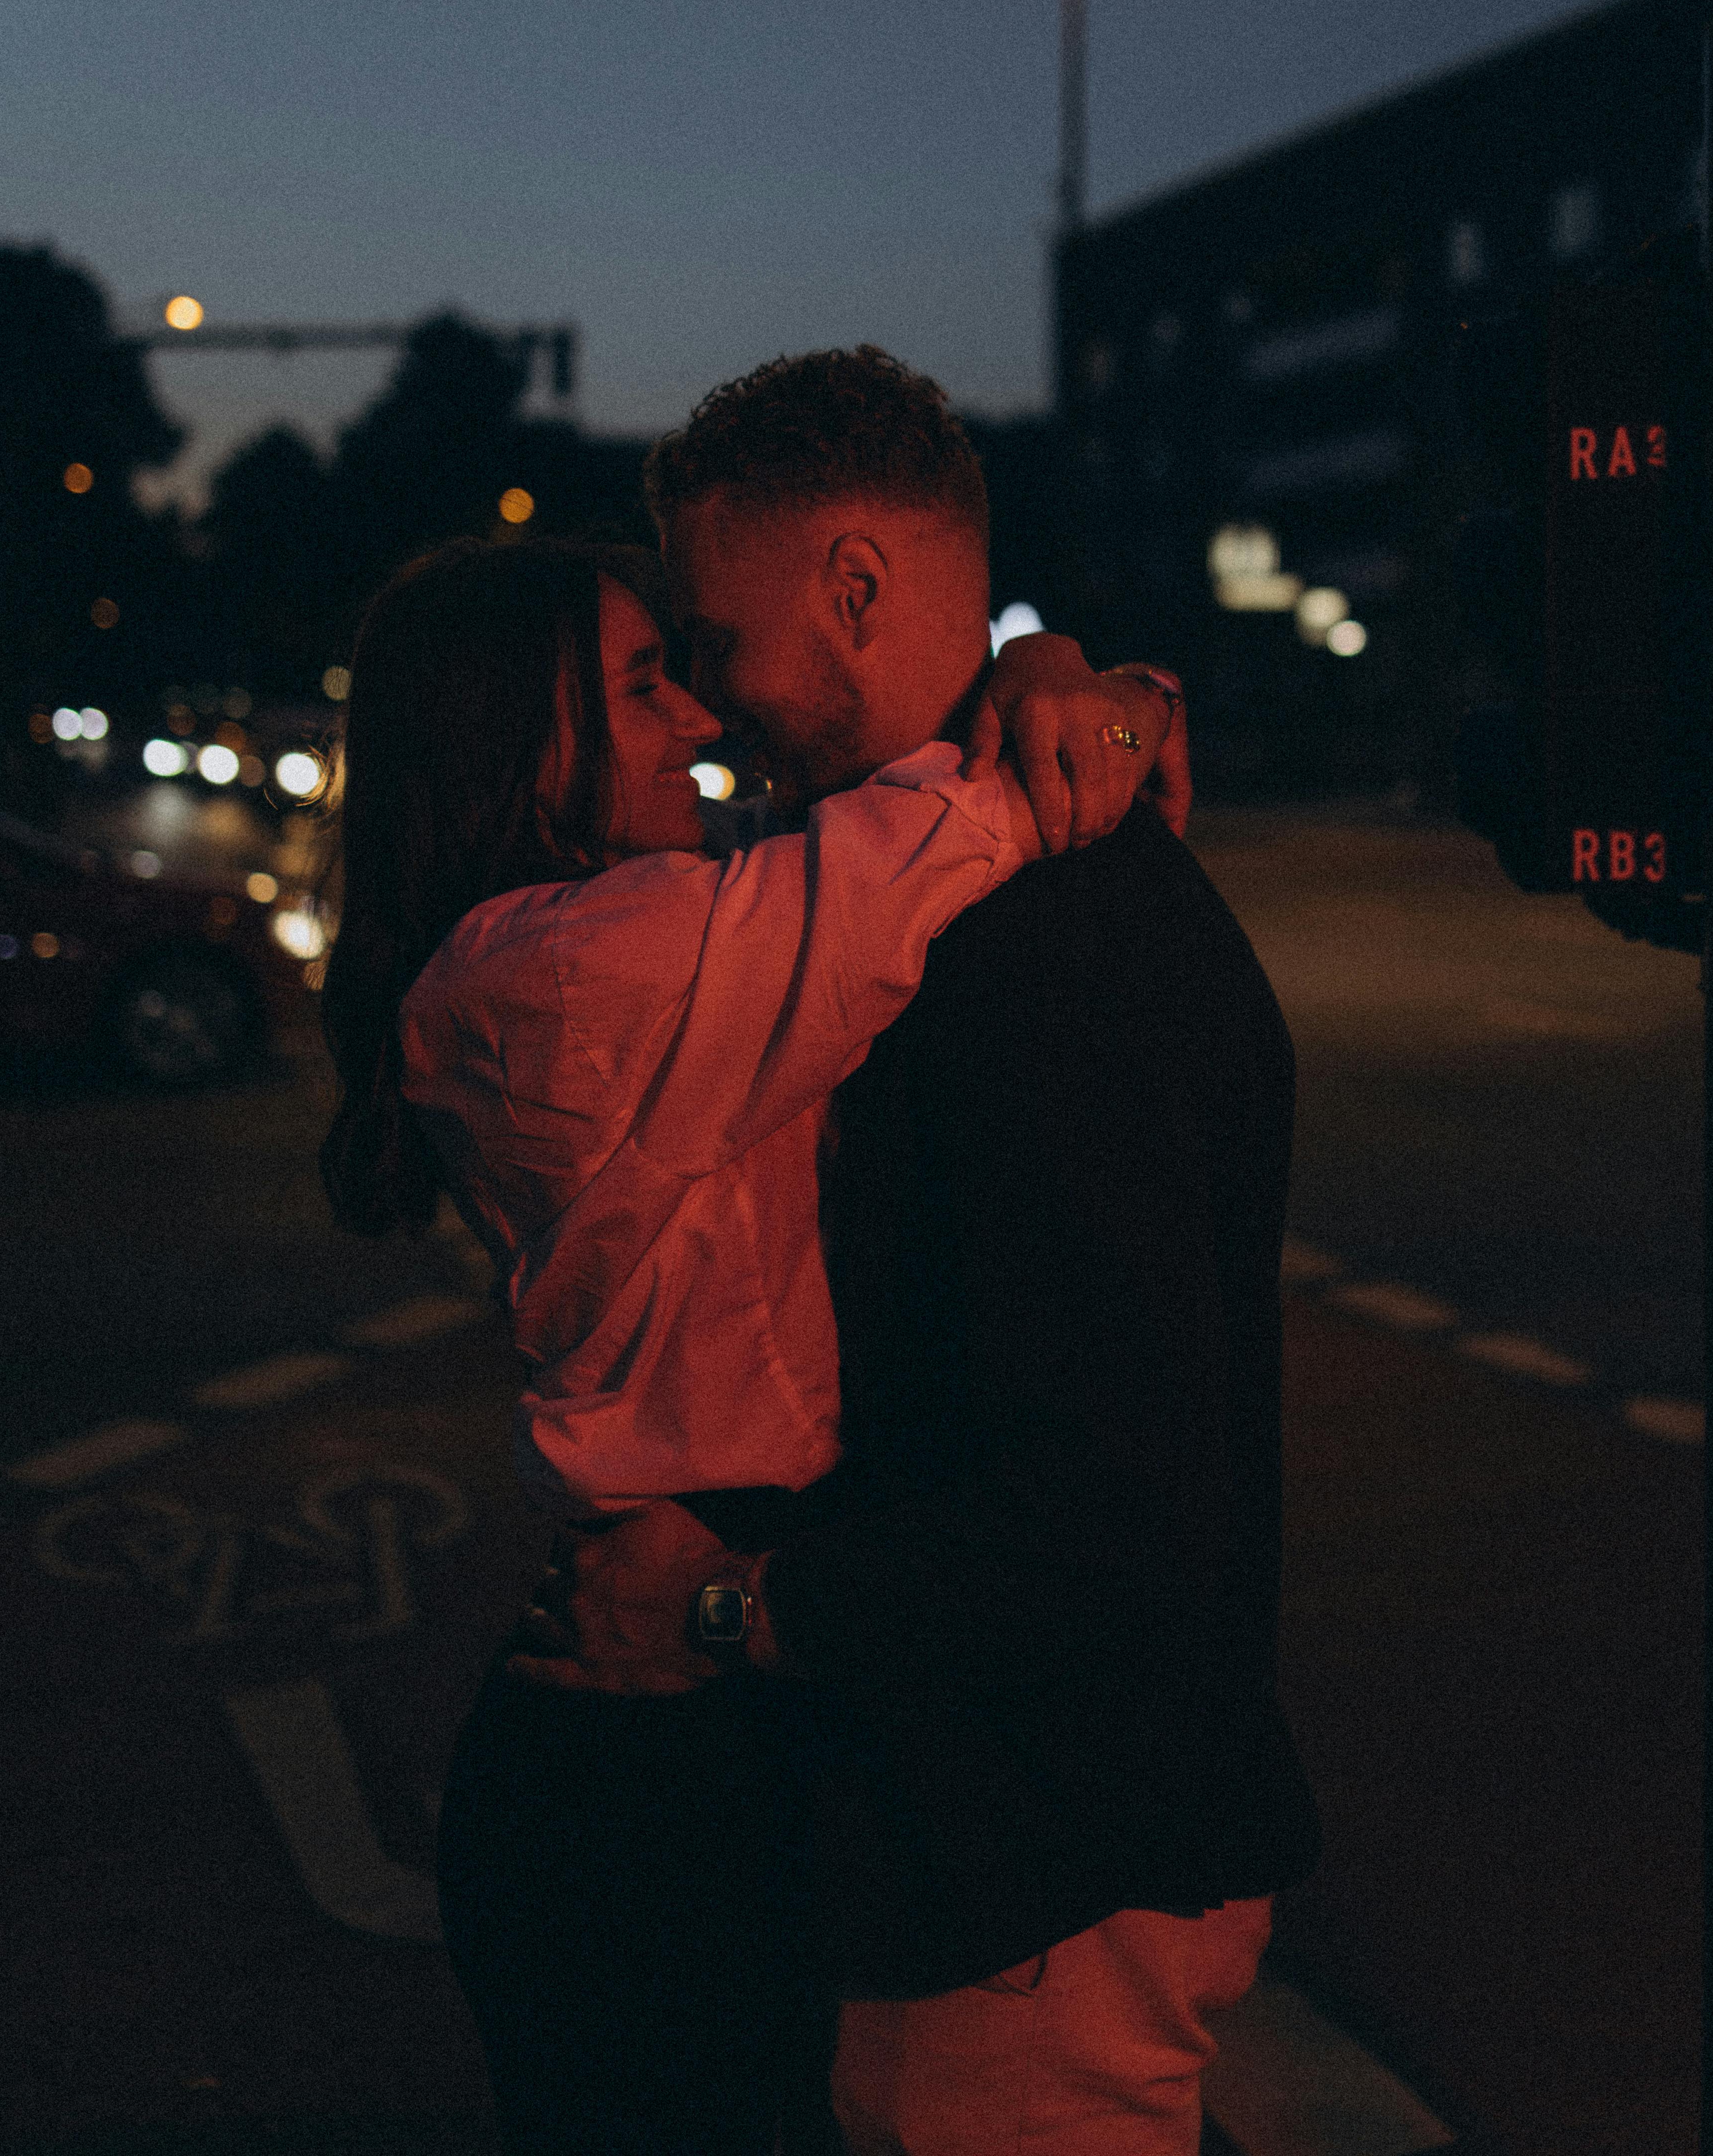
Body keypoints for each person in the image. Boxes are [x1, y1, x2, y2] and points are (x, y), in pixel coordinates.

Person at [526, 347, 1322, 2155]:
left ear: (858, 587)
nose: (713, 711)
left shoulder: (1028, 946)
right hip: (1042, 1834)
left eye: (713, 645)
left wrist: (725, 1612)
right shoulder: (975, 877)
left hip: (1042, 1862)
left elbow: (1115, 1511)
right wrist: (1065, 679)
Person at [317, 527, 1178, 2156]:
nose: (701, 726)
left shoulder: (588, 941)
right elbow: (955, 834)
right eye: (645, 687)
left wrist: (1059, 676)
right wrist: (1111, 703)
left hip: (676, 1681)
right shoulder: (580, 971)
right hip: (653, 1747)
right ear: (526, 728)